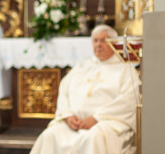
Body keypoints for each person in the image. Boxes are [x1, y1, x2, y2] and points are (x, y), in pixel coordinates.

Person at [30, 25, 140, 154]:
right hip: (74, 124)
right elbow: (64, 90)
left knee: (93, 138)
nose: (98, 44)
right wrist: (68, 115)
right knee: (50, 135)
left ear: (115, 43)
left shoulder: (125, 70)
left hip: (106, 123)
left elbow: (128, 100)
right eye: (95, 40)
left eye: (103, 40)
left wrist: (96, 118)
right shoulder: (82, 67)